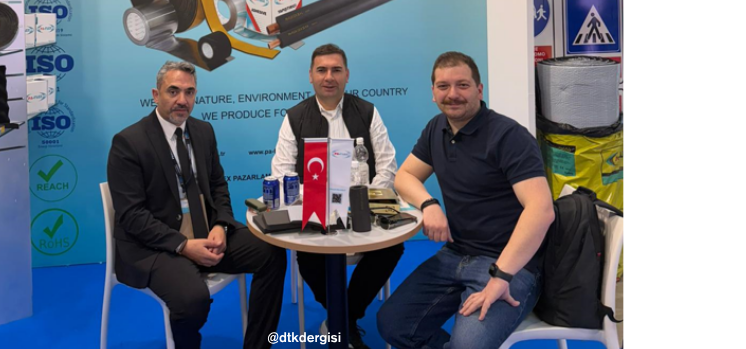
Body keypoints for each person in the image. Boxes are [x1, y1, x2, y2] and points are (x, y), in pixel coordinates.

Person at [376, 52, 555, 349]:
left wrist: (501, 276)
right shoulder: (436, 128)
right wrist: (429, 204)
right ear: (433, 92)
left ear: (479, 90)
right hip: (455, 254)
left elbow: (541, 210)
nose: (453, 94)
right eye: (443, 86)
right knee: (393, 325)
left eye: (462, 85)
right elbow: (405, 176)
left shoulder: (509, 136)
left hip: (510, 264)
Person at [107, 61, 287, 349]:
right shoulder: (129, 142)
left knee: (271, 251)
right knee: (192, 300)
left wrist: (221, 225)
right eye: (173, 91)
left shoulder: (203, 131)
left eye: (189, 92)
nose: (182, 100)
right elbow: (132, 215)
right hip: (155, 246)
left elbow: (218, 186)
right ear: (155, 95)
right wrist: (182, 245)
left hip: (205, 232)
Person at [270, 43, 402, 349]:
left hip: (361, 212)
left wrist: (363, 202)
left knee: (392, 249)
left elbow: (387, 166)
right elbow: (282, 172)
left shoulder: (368, 112)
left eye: (336, 70)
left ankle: (343, 317)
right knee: (308, 258)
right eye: (322, 70)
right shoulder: (294, 117)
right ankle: (346, 319)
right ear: (311, 76)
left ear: (347, 75)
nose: (328, 77)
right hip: (316, 213)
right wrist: (320, 201)